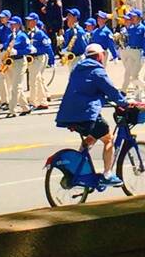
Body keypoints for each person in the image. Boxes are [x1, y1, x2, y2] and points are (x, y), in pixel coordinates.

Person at [54, 42, 127, 186]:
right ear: (100, 56)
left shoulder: (77, 68)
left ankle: (79, 166)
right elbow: (111, 90)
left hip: (68, 114)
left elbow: (84, 89)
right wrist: (124, 103)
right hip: (86, 114)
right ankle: (107, 174)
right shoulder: (97, 71)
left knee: (92, 136)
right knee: (108, 139)